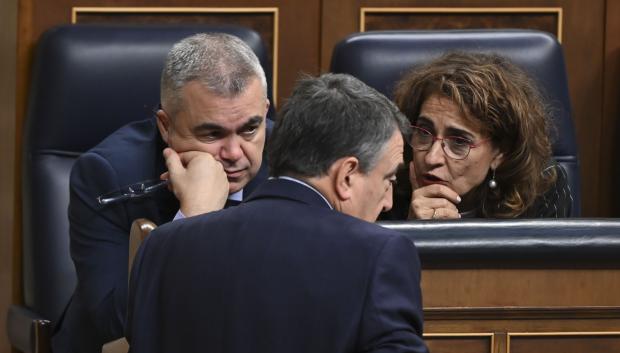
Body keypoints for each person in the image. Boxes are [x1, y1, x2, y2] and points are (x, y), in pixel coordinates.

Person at [126, 73, 429, 353]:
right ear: (346, 175)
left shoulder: (159, 246)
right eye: (388, 179)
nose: (389, 201)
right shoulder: (378, 253)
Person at [52, 33, 271, 353]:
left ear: (265, 112)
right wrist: (194, 218)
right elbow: (114, 323)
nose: (236, 153)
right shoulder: (106, 175)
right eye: (212, 133)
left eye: (250, 128)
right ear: (165, 126)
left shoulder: (294, 160)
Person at [388, 52, 573, 220]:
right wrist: (412, 234)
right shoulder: (387, 186)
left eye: (459, 142)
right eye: (423, 132)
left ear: (500, 152)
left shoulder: (540, 189)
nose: (431, 157)